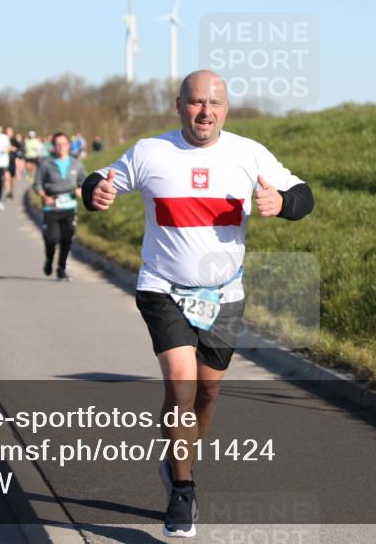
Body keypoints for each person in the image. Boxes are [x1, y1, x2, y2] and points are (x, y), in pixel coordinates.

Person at [82, 70, 314, 538]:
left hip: (223, 294)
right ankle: (183, 491)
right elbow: (99, 181)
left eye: (214, 103)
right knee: (182, 385)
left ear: (226, 108)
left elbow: (304, 195)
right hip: (162, 287)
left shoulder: (249, 153)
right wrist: (95, 192)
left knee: (208, 392)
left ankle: (178, 456)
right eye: (195, 103)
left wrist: (283, 202)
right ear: (178, 105)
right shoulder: (151, 151)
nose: (204, 112)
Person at [34, 132, 86, 280]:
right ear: (53, 147)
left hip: (69, 206)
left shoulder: (76, 163)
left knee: (67, 238)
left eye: (64, 144)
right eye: (58, 144)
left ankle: (61, 268)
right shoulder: (46, 164)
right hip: (51, 206)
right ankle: (49, 258)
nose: (61, 147)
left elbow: (84, 181)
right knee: (52, 238)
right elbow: (37, 184)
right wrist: (44, 196)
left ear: (69, 145)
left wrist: (81, 189)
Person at [5, 125, 19, 198]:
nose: (9, 133)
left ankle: (11, 191)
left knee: (11, 179)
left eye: (10, 131)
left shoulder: (14, 140)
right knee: (6, 177)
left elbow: (18, 149)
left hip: (12, 160)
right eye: (7, 131)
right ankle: (7, 192)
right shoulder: (3, 139)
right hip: (4, 161)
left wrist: (13, 149)